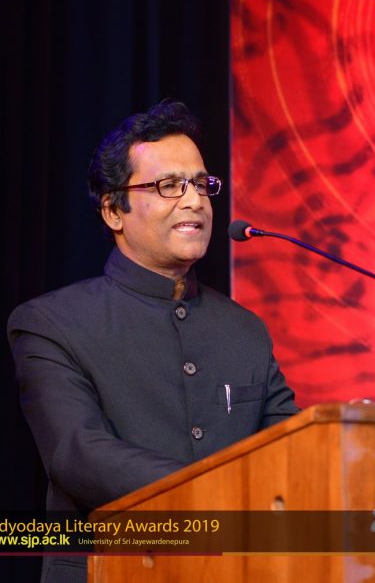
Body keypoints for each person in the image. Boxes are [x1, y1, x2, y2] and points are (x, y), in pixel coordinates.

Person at [7, 100, 298, 582]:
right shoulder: (51, 323)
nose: (194, 201)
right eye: (168, 186)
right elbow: (78, 454)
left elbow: (289, 446)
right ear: (113, 211)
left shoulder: (244, 329)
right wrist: (219, 495)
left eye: (201, 185)